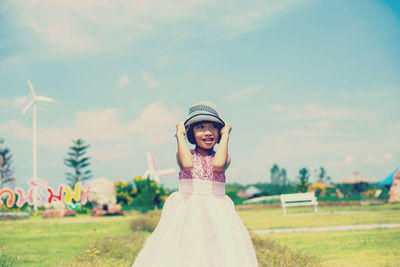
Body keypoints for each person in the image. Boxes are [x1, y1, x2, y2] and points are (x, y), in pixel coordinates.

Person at [132, 101, 259, 267]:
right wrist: (179, 134)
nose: (207, 132)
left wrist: (226, 133)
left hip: (217, 210)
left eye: (213, 127)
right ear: (190, 133)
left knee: (220, 251)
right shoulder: (185, 155)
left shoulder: (224, 158)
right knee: (187, 250)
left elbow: (218, 165)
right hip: (188, 208)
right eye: (200, 127)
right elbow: (187, 165)